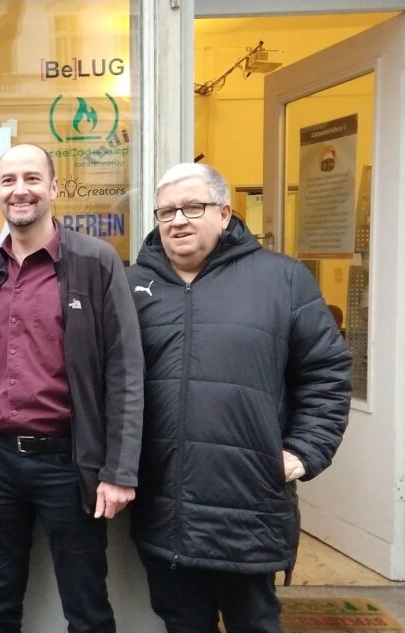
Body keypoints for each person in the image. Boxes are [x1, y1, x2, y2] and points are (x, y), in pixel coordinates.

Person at [127, 162, 352, 633]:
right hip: (164, 508)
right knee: (182, 623)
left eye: (192, 207)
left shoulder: (282, 280)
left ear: (225, 213)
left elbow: (326, 373)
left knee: (255, 623)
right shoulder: (131, 287)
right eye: (166, 211)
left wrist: (302, 453)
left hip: (247, 507)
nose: (178, 220)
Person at [0, 143, 144, 633]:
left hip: (69, 463)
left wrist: (119, 469)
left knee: (86, 604)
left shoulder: (95, 263)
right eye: (9, 180)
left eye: (32, 178)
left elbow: (125, 369)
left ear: (54, 188)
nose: (21, 190)